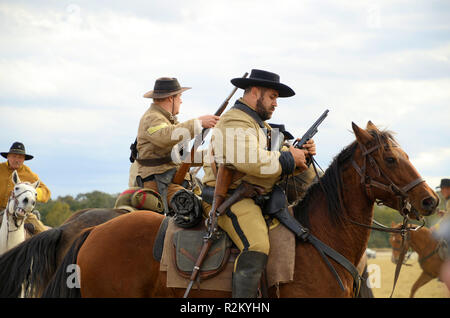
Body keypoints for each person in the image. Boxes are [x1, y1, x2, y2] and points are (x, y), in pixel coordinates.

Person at [202, 69, 316, 297]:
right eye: (272, 97)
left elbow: (272, 159)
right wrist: (287, 158)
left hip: (252, 195)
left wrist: (301, 156)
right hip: (230, 198)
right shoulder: (235, 120)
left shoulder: (256, 124)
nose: (275, 103)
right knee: (257, 246)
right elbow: (251, 161)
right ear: (255, 92)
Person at [135, 77, 219, 216]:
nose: (181, 100)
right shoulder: (152, 117)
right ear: (170, 98)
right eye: (179, 96)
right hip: (161, 184)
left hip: (170, 181)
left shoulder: (166, 120)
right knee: (198, 210)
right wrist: (198, 123)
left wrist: (215, 155)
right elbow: (165, 137)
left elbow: (183, 156)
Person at [0, 142, 51, 234]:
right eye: (14, 156)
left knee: (43, 234)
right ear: (8, 157)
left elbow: (46, 193)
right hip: (0, 210)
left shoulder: (29, 174)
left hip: (22, 212)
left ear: (24, 159)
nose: (17, 160)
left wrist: (31, 191)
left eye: (20, 157)